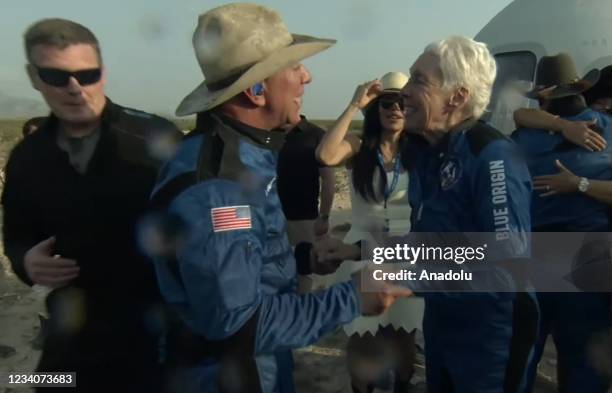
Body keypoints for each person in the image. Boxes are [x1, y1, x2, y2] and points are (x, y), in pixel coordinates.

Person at [147, 4, 410, 393]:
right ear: (256, 91)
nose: (307, 76)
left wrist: (304, 258)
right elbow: (238, 325)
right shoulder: (220, 191)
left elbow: (244, 266)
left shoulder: (246, 154)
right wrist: (352, 298)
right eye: (293, 68)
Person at [1, 18, 180, 392]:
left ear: (104, 73)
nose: (75, 88)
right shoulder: (27, 158)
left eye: (87, 74)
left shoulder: (155, 139)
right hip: (73, 344)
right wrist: (26, 262)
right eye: (56, 76)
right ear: (33, 77)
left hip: (157, 337)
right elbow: (17, 238)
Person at [399, 36, 537, 392]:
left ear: (457, 97)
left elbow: (506, 264)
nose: (405, 91)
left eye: (419, 81)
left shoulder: (492, 156)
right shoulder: (428, 155)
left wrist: (410, 280)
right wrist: (364, 253)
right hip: (443, 325)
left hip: (492, 335)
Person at [316, 72, 424, 393]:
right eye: (386, 103)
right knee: (364, 335)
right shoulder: (361, 145)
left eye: (402, 102)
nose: (395, 109)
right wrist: (353, 105)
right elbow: (325, 155)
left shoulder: (419, 149)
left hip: (406, 252)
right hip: (362, 252)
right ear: (376, 109)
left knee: (403, 335)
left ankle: (403, 386)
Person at [511, 53, 612, 393]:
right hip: (591, 254)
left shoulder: (522, 138)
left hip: (533, 254)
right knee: (586, 362)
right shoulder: (607, 130)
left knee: (523, 354)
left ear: (543, 96)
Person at [277, 115, 335, 245]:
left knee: (306, 263)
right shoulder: (267, 134)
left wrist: (324, 216)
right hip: (269, 220)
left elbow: (328, 180)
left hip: (305, 220)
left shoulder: (316, 135)